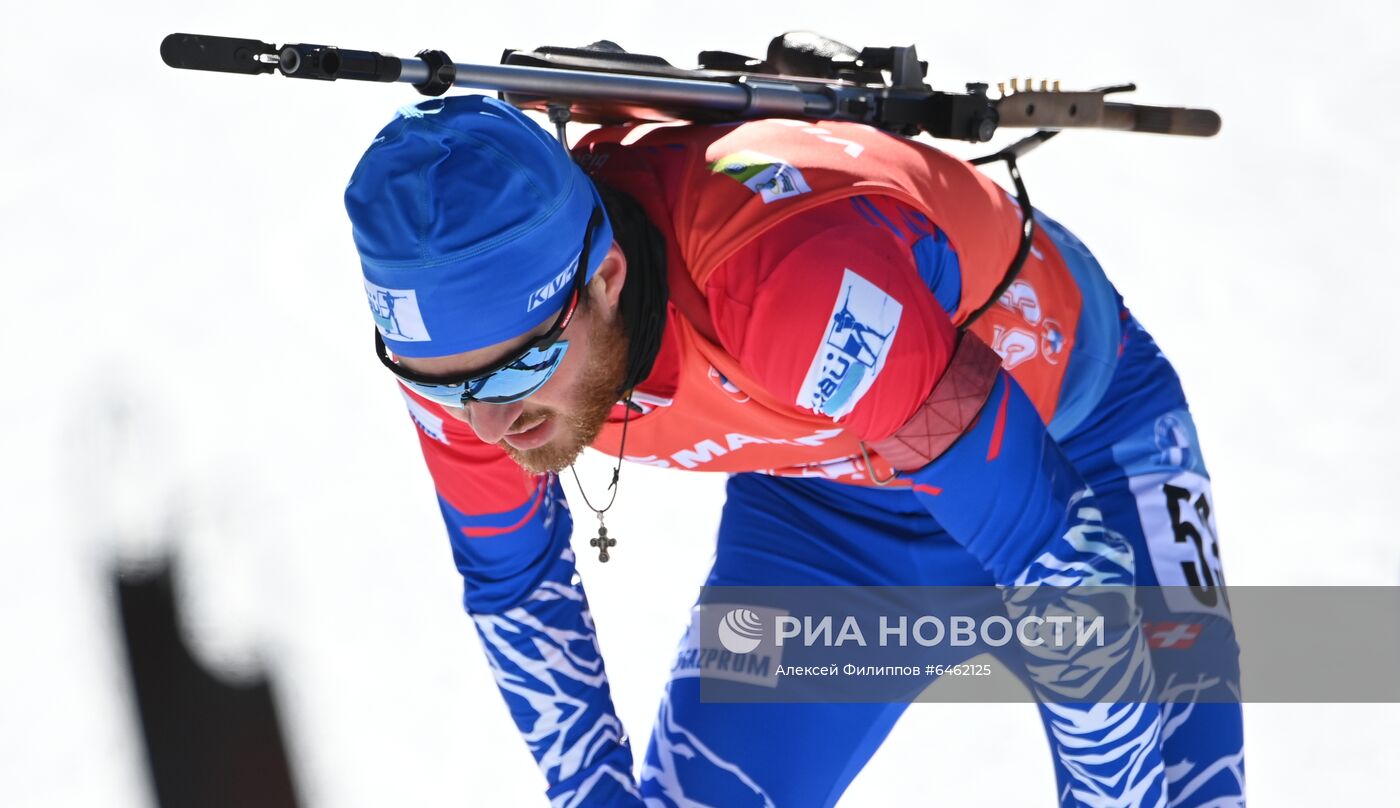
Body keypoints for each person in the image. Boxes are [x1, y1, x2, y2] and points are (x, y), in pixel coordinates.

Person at [344, 94, 1244, 807]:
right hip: (834, 519)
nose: (488, 425)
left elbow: (1066, 565)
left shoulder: (786, 288)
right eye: (438, 384)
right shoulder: (469, 364)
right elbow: (516, 586)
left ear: (606, 279)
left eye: (520, 370)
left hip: (1080, 450)